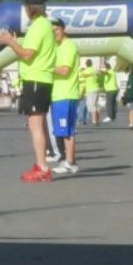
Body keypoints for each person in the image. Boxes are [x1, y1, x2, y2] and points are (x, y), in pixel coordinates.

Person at [0, 0, 56, 182]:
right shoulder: (44, 25)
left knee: (35, 124)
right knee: (37, 123)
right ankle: (41, 163)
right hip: (39, 78)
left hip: (37, 78)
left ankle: (42, 167)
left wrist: (11, 42)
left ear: (30, 8)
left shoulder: (38, 26)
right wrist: (15, 43)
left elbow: (27, 54)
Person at [49, 18, 80, 174]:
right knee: (62, 131)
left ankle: (70, 162)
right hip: (57, 95)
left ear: (63, 29)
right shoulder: (57, 46)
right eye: (52, 31)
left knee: (67, 131)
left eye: (57, 29)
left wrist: (46, 67)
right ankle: (69, 161)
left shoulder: (69, 46)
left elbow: (65, 70)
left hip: (66, 94)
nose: (54, 33)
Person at [82, 59, 102, 125]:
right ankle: (97, 119)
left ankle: (94, 120)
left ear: (86, 64)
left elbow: (82, 76)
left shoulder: (85, 71)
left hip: (90, 89)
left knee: (91, 105)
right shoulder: (95, 70)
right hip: (96, 88)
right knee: (95, 104)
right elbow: (100, 76)